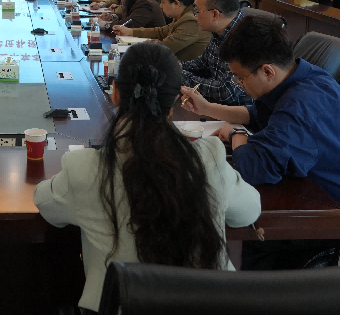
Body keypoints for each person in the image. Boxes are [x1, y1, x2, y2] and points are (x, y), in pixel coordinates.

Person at [34, 42, 260, 313]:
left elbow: (45, 203)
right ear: (174, 102)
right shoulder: (209, 157)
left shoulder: (83, 168)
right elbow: (249, 211)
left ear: (115, 92)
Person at [181, 14, 340, 259]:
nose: (239, 84)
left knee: (237, 226)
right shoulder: (304, 76)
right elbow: (258, 115)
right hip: (323, 195)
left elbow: (252, 167)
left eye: (240, 78)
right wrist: (208, 108)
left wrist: (236, 133)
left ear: (267, 71)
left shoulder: (301, 105)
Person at [179, 0, 253, 107]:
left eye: (197, 10)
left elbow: (226, 91)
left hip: (240, 114)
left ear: (215, 14)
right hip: (217, 107)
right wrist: (177, 65)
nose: (195, 15)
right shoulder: (220, 30)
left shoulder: (245, 38)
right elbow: (203, 64)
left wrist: (181, 75)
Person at [114, 0, 211, 60]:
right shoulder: (182, 13)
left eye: (163, 2)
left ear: (176, 3)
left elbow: (164, 48)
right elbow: (162, 32)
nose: (160, 6)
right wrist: (130, 32)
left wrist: (144, 43)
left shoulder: (191, 21)